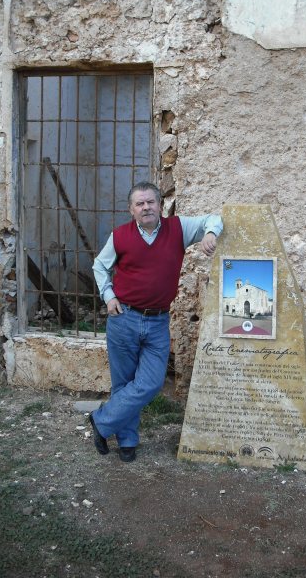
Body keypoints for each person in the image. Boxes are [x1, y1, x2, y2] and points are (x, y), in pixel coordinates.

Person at [90, 181, 223, 462]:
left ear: (160, 205)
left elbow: (213, 218)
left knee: (151, 383)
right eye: (139, 203)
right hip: (123, 318)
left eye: (151, 202)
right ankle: (127, 441)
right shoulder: (120, 236)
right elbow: (100, 265)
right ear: (131, 209)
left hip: (158, 322)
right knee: (123, 383)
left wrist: (210, 233)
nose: (146, 207)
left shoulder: (178, 228)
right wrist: (108, 296)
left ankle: (101, 421)